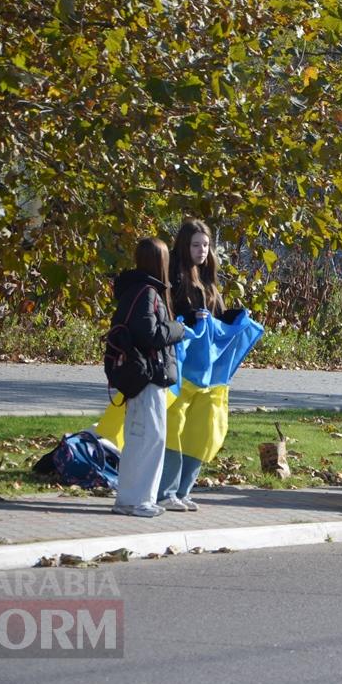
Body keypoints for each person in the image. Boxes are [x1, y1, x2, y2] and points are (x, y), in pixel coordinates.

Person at [157, 218, 243, 512]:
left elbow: (215, 319)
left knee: (201, 431)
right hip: (182, 370)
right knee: (174, 427)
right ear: (184, 246)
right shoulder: (175, 278)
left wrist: (232, 318)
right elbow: (171, 317)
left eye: (206, 245)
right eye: (196, 245)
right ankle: (165, 491)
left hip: (206, 374)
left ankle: (183, 490)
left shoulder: (208, 280)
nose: (202, 250)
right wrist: (190, 319)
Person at [111, 238, 186, 517]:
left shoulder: (140, 290)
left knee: (150, 437)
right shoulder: (146, 293)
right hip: (146, 376)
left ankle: (143, 497)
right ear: (160, 262)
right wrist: (178, 329)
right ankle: (133, 500)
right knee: (145, 438)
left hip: (147, 376)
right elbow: (150, 333)